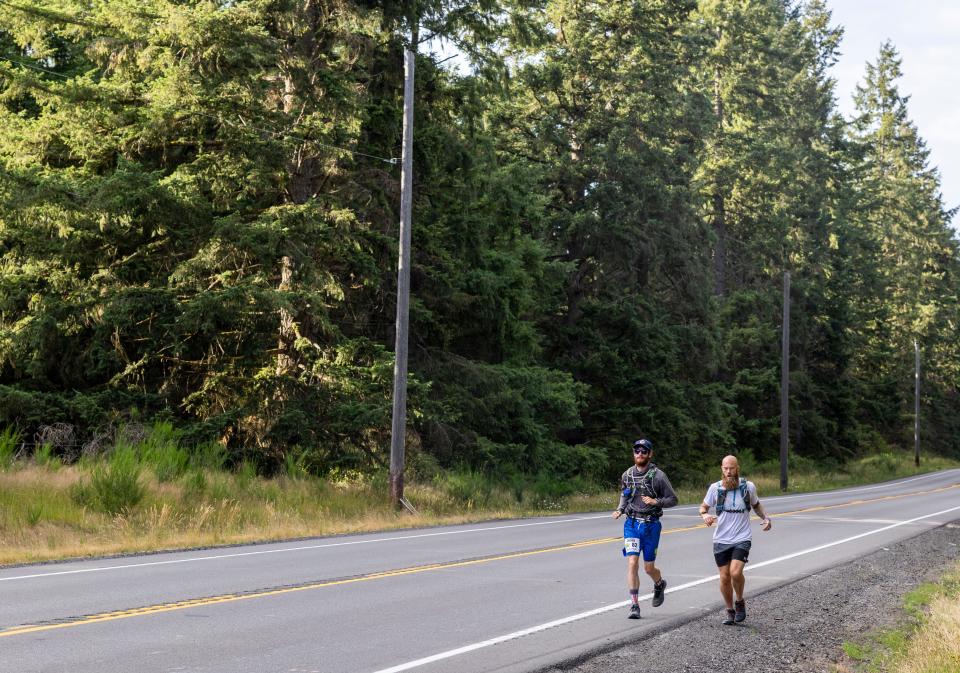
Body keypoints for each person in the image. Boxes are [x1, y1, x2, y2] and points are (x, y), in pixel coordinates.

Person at [699, 455, 772, 625]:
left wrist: (766, 518)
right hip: (721, 539)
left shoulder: (748, 487)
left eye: (731, 468)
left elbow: (756, 505)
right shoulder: (715, 488)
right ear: (721, 469)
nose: (728, 471)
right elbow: (703, 507)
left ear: (737, 468)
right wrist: (705, 515)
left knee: (735, 572)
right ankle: (730, 610)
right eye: (725, 468)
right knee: (724, 577)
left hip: (742, 537)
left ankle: (739, 601)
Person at [612, 438, 678, 619]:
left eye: (644, 451)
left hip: (651, 526)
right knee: (632, 563)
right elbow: (625, 494)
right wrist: (620, 509)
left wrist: (657, 501)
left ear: (650, 454)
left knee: (649, 568)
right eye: (637, 451)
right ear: (633, 453)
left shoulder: (658, 476)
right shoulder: (627, 475)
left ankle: (659, 584)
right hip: (632, 524)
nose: (640, 454)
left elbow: (673, 499)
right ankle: (634, 605)